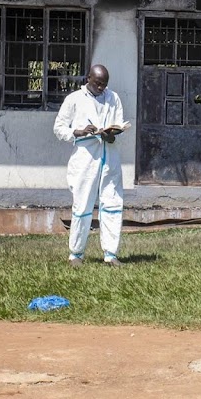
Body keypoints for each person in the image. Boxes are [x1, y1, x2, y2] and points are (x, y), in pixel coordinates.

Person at [53, 64, 126, 267]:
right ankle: (76, 254)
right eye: (98, 83)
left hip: (109, 157)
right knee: (82, 205)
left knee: (112, 203)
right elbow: (59, 128)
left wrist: (111, 134)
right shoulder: (74, 99)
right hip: (85, 159)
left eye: (104, 84)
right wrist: (77, 132)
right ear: (88, 79)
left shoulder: (114, 98)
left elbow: (118, 124)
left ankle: (110, 254)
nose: (101, 88)